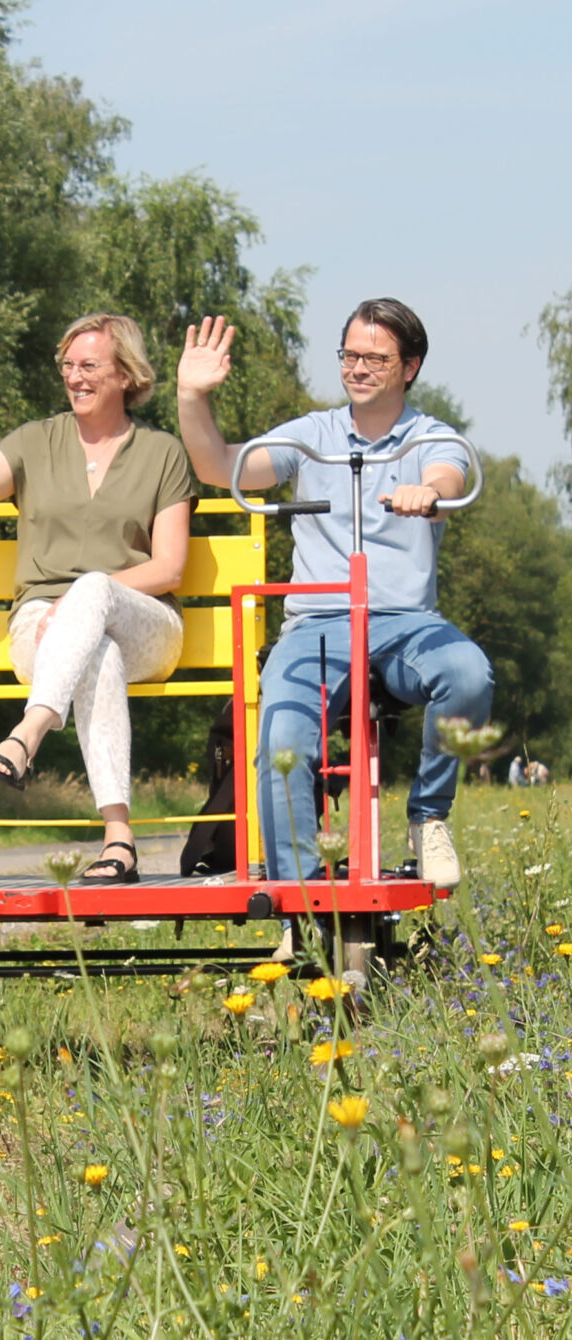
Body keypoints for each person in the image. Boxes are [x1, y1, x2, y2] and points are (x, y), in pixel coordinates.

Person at [177, 301, 494, 950]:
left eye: (375, 358)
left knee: (467, 675)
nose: (358, 368)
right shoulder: (309, 436)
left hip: (403, 622)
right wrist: (191, 398)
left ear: (409, 367)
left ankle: (428, 819)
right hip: (319, 621)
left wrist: (427, 492)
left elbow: (448, 470)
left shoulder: (426, 436)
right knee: (284, 739)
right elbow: (220, 467)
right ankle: (301, 907)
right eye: (349, 355)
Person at [0, 313, 194, 883]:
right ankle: (119, 840)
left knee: (93, 589)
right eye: (68, 366)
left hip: (143, 621)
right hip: (42, 631)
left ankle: (28, 734)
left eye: (89, 366)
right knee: (97, 655)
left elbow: (169, 567)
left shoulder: (162, 451)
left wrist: (81, 599)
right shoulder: (34, 441)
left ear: (125, 373)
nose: (75, 377)